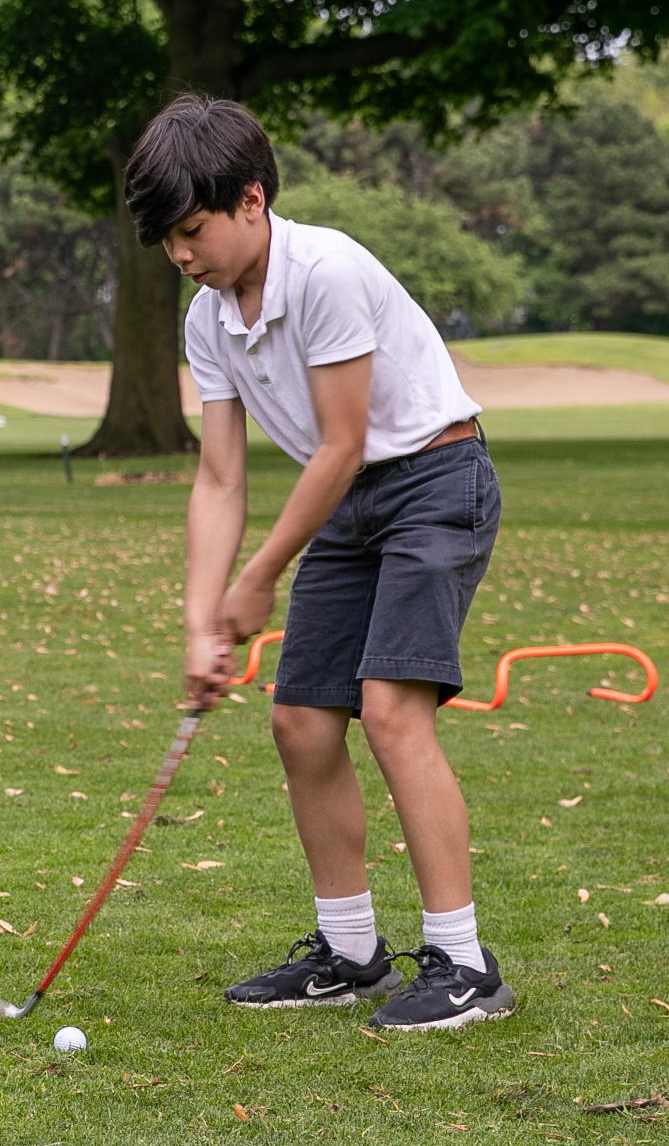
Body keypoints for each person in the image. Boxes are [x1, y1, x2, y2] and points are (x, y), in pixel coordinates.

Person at [137, 95, 514, 1033]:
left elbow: (342, 444)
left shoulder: (327, 272)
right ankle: (350, 954)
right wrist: (201, 621)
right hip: (347, 503)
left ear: (251, 199)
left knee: (390, 711)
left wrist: (258, 578)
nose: (181, 254)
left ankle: (466, 966)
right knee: (301, 721)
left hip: (433, 481)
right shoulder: (209, 318)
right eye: (167, 240)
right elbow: (219, 477)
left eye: (192, 230)